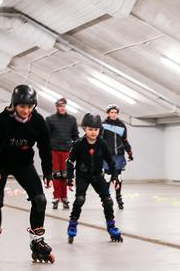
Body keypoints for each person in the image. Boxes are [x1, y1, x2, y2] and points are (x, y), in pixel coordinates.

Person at [0, 85, 54, 263]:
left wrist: (47, 173)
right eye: (22, 106)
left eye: (30, 107)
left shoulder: (37, 121)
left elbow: (45, 148)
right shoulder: (2, 120)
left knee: (40, 200)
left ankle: (37, 242)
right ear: (14, 105)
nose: (26, 110)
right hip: (1, 163)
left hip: (24, 164)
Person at [67, 113, 123, 243]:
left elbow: (110, 161)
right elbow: (70, 161)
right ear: (85, 129)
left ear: (99, 130)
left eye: (96, 130)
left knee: (108, 200)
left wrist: (115, 176)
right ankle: (73, 223)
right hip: (82, 176)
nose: (93, 132)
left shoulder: (102, 143)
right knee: (80, 199)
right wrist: (70, 178)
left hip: (98, 175)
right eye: (90, 129)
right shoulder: (79, 143)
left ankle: (111, 226)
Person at [45, 97, 79, 209]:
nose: (62, 108)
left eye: (63, 106)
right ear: (56, 107)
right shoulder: (50, 119)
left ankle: (64, 197)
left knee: (65, 175)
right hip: (54, 150)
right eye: (60, 106)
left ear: (66, 106)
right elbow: (46, 135)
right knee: (56, 175)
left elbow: (75, 136)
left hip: (66, 151)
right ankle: (56, 197)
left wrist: (77, 146)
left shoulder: (72, 120)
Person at [101, 104, 133, 210]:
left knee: (118, 177)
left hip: (119, 155)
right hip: (107, 155)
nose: (114, 114)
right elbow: (99, 140)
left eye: (115, 112)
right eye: (112, 112)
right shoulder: (103, 125)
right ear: (108, 113)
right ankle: (106, 198)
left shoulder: (122, 125)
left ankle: (119, 198)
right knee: (107, 177)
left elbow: (124, 140)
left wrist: (129, 152)